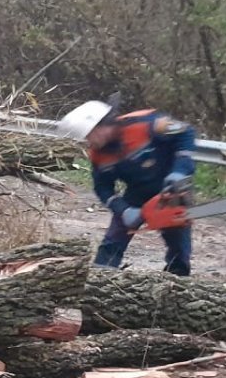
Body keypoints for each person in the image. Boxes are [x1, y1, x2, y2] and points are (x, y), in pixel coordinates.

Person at [57, 99, 197, 276]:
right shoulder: (99, 155)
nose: (88, 142)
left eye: (88, 136)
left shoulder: (148, 124)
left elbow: (186, 132)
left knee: (177, 240)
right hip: (136, 193)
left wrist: (180, 171)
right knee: (112, 242)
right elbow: (102, 188)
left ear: (98, 128)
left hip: (172, 187)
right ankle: (100, 279)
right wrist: (123, 210)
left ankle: (178, 281)